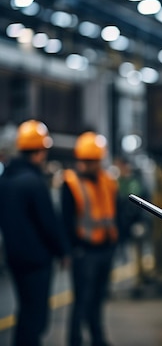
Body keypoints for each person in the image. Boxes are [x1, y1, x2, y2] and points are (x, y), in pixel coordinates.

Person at [0, 120, 70, 346]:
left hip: (14, 258)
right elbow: (48, 223)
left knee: (24, 311)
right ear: (40, 152)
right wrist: (63, 251)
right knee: (36, 317)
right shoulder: (34, 182)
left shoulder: (6, 180)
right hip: (37, 261)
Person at [61, 131, 120, 346]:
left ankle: (97, 338)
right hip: (83, 251)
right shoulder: (70, 182)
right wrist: (70, 250)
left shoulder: (108, 181)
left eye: (92, 161)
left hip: (105, 248)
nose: (87, 165)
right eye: (85, 161)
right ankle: (74, 340)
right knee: (82, 301)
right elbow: (66, 220)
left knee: (98, 298)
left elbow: (115, 212)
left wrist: (116, 242)